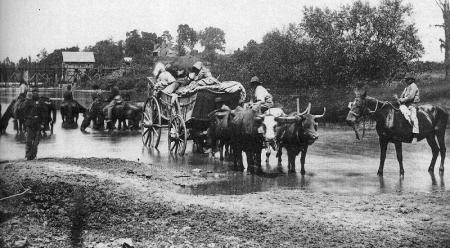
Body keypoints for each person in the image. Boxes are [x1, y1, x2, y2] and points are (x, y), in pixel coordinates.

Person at [21, 89, 45, 160]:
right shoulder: (27, 102)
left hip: (38, 124)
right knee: (28, 141)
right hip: (30, 124)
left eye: (36, 92)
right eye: (34, 92)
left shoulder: (40, 103)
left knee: (36, 142)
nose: (35, 94)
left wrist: (43, 123)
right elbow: (22, 110)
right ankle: (28, 156)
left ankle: (33, 155)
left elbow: (43, 114)